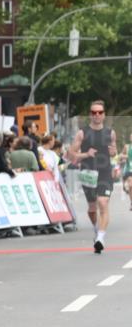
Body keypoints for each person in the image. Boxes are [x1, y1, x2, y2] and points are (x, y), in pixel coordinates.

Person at [68, 100, 118, 253]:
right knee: (91, 208)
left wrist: (113, 153)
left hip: (104, 172)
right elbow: (70, 155)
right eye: (94, 112)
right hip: (88, 173)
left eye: (100, 112)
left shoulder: (111, 132)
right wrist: (86, 154)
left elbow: (114, 152)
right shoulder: (82, 133)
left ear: (104, 115)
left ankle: (100, 238)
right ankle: (97, 229)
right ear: (90, 115)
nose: (97, 115)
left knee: (103, 202)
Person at [121, 132, 132, 209]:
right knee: (131, 185)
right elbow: (121, 155)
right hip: (129, 169)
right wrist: (125, 156)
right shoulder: (127, 146)